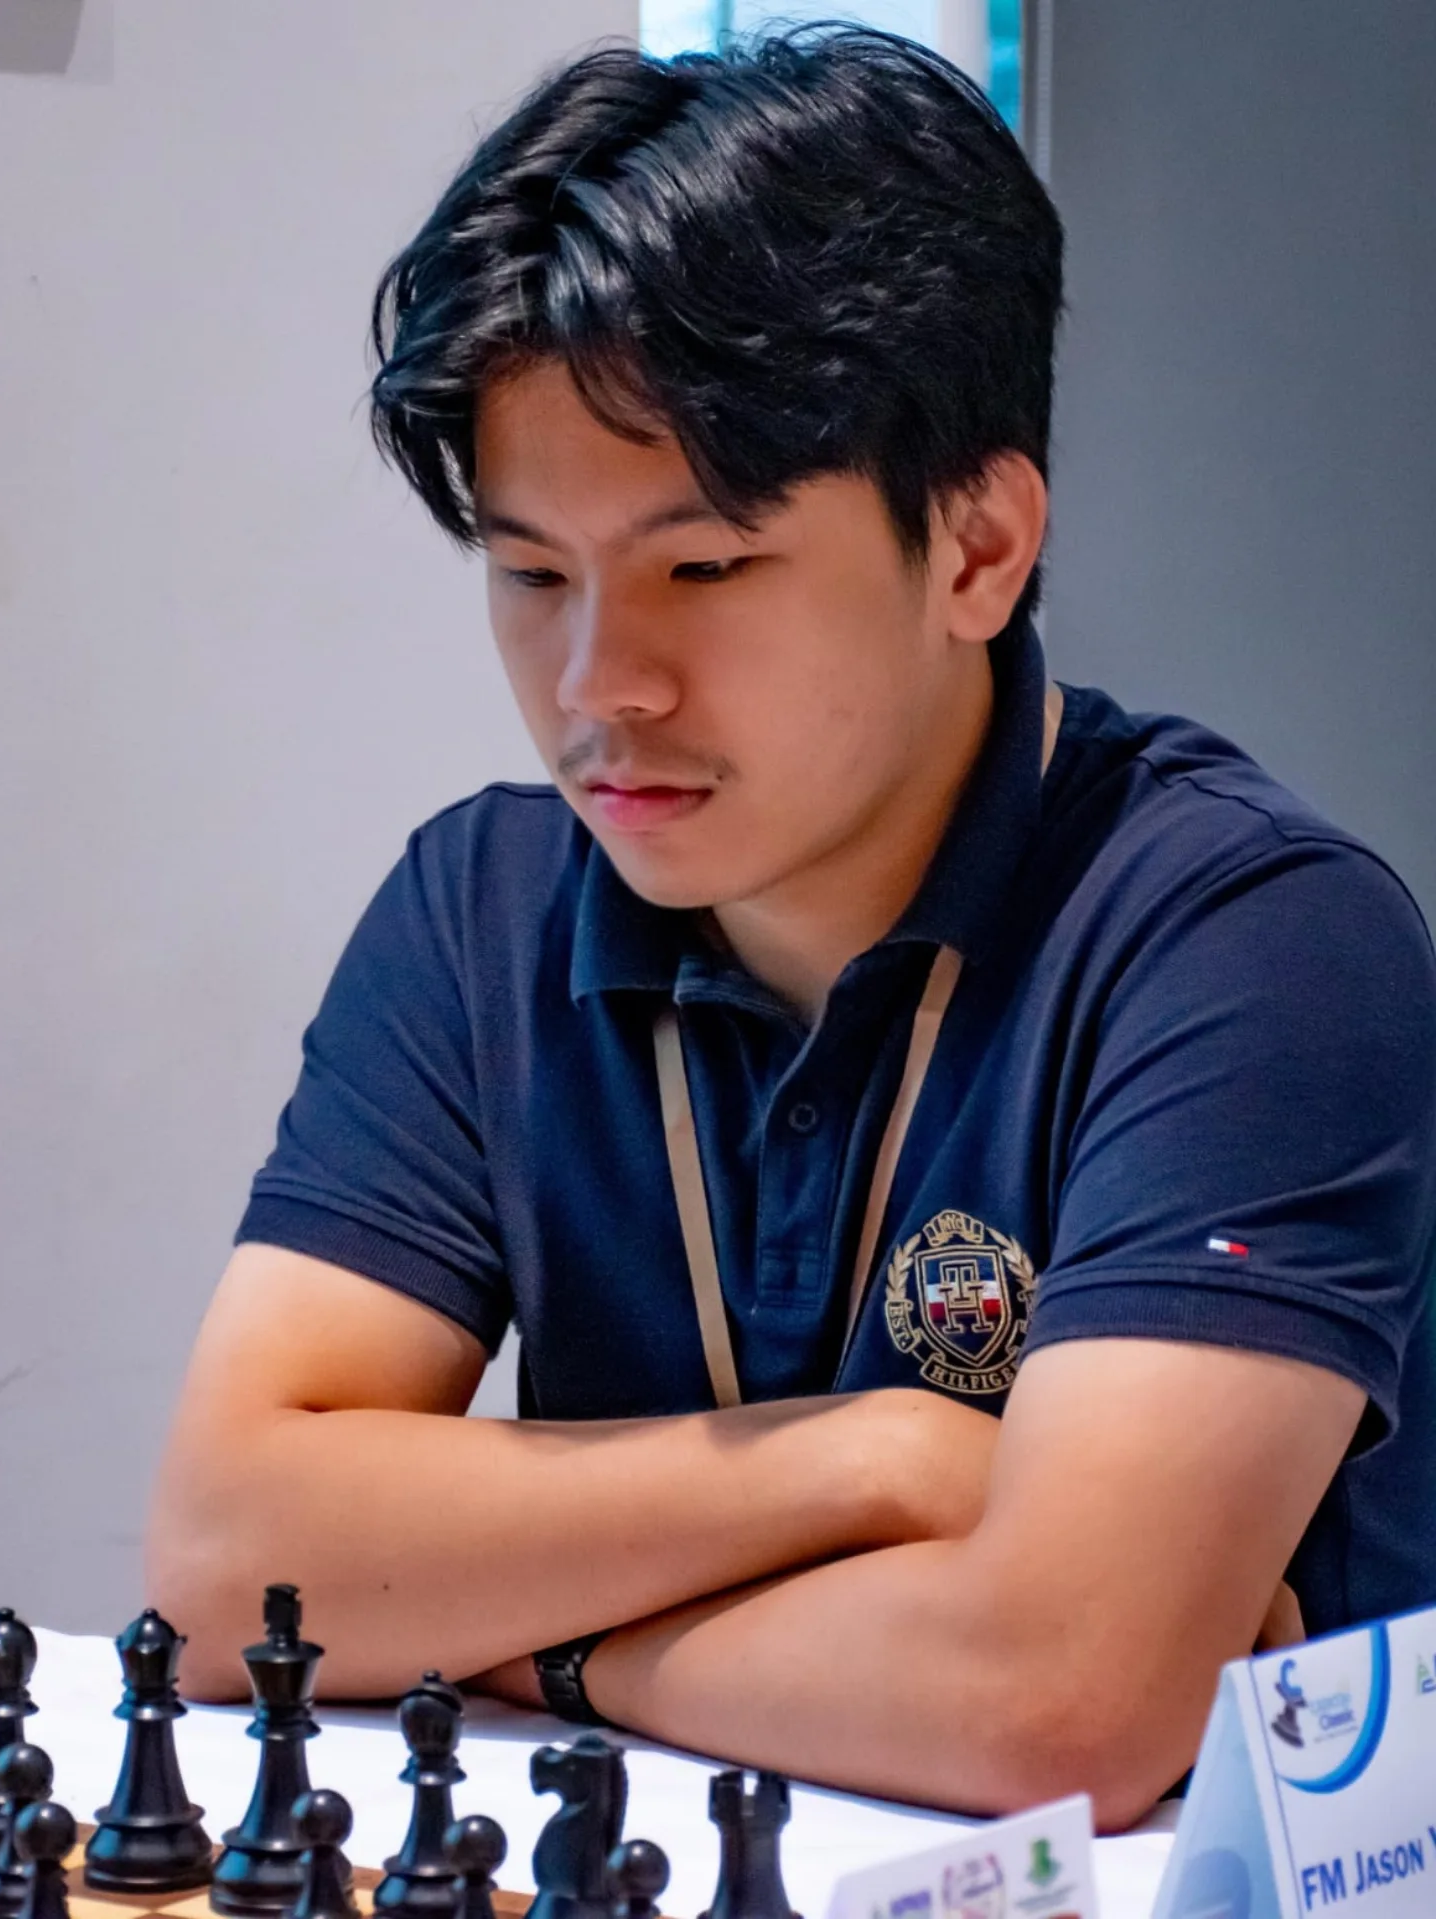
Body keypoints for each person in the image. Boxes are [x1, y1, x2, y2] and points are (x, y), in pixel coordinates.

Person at [145, 26, 1436, 1829]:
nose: (600, 685)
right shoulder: (478, 913)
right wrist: (880, 1457)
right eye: (531, 574)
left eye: (705, 568)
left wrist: (520, 1642)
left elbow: (1060, 1703)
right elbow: (228, 1560)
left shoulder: (1255, 941)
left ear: (977, 548)